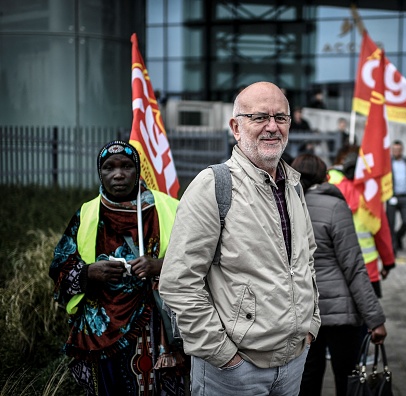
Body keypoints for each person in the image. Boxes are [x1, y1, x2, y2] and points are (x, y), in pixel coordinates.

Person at [159, 81, 320, 396]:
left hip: (293, 362)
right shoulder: (213, 185)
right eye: (259, 117)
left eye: (281, 118)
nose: (272, 127)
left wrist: (311, 326)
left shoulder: (294, 186)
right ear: (236, 127)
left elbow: (307, 259)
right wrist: (224, 355)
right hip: (234, 371)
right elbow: (178, 283)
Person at [49, 140, 187, 396]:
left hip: (156, 324)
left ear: (138, 171)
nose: (118, 174)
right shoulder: (87, 213)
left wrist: (157, 266)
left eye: (126, 166)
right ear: (99, 173)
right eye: (108, 168)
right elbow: (59, 266)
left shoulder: (168, 208)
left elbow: (201, 260)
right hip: (97, 331)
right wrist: (89, 272)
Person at [291, 154, 387, 396]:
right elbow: (353, 266)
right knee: (348, 376)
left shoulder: (285, 207)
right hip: (341, 314)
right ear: (325, 177)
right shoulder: (335, 207)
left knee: (307, 376)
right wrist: (375, 319)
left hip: (302, 310)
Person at [328, 145, 395, 298]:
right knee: (368, 317)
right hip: (367, 268)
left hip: (336, 267)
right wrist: (388, 262)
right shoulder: (371, 193)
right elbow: (381, 230)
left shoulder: (328, 184)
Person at [386, 140, 406, 252]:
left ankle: (398, 237)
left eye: (398, 150)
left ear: (402, 150)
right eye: (394, 150)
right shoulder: (387, 162)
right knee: (390, 223)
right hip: (392, 197)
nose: (396, 152)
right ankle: (393, 247)